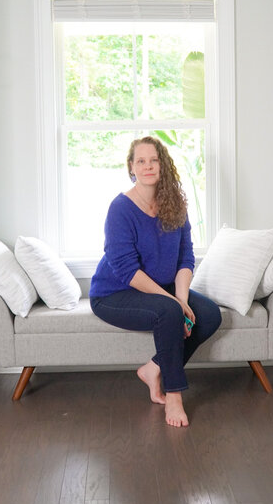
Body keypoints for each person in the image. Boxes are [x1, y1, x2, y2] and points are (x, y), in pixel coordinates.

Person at [89, 136, 222, 427]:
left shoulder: (175, 203)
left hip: (160, 289)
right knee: (169, 311)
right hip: (115, 292)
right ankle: (174, 395)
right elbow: (126, 270)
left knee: (210, 315)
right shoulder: (121, 209)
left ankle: (154, 368)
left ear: (163, 165)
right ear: (131, 168)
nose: (148, 166)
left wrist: (183, 298)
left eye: (154, 159)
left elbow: (186, 258)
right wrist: (173, 302)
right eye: (141, 161)